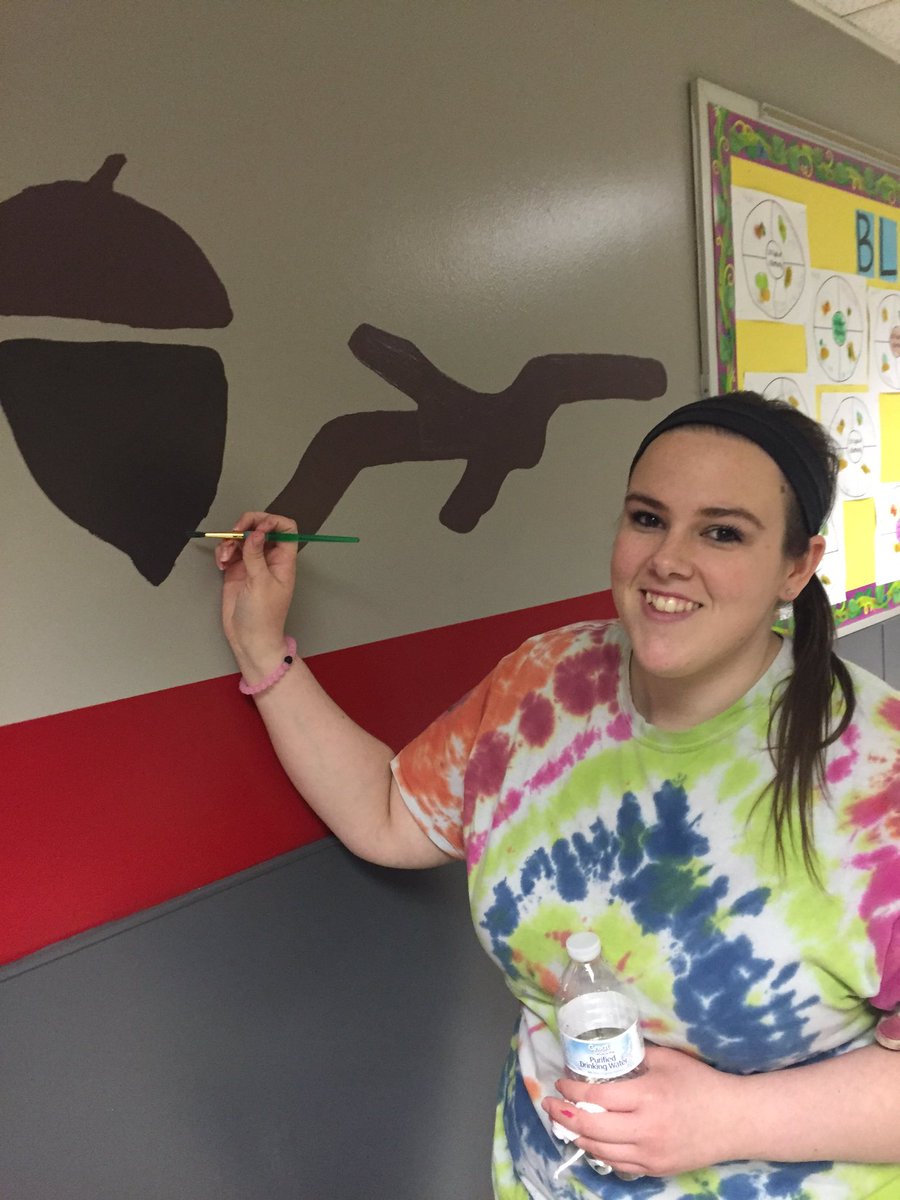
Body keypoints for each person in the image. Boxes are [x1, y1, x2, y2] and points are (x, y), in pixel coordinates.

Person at [215, 392, 900, 1199]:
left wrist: (728, 1119)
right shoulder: (541, 683)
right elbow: (389, 816)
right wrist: (261, 648)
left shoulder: (875, 774)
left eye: (722, 531)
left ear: (797, 563)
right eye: (648, 518)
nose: (668, 560)